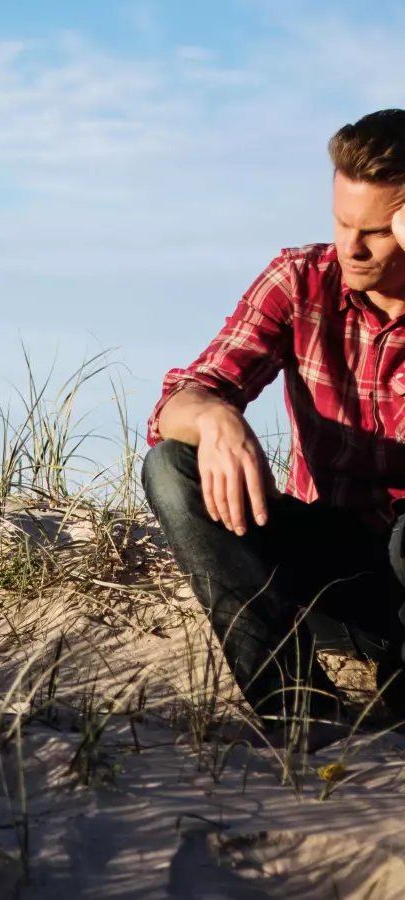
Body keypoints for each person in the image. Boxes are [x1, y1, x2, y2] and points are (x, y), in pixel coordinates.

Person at [142, 108, 405, 744]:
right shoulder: (300, 280)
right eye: (342, 222)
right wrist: (213, 414)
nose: (352, 247)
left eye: (376, 231)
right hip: (325, 573)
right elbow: (176, 403)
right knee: (171, 466)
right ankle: (298, 714)